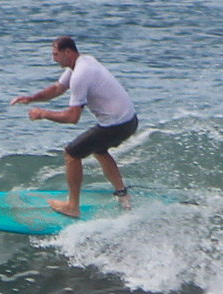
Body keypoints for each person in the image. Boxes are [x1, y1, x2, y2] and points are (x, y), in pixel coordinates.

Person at [11, 36, 139, 216]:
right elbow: (57, 88)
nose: (53, 59)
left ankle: (72, 206)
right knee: (99, 149)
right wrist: (31, 98)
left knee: (72, 153)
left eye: (56, 54)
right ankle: (123, 195)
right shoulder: (83, 62)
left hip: (118, 124)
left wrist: (43, 114)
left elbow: (73, 117)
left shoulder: (80, 75)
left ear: (68, 52)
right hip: (129, 120)